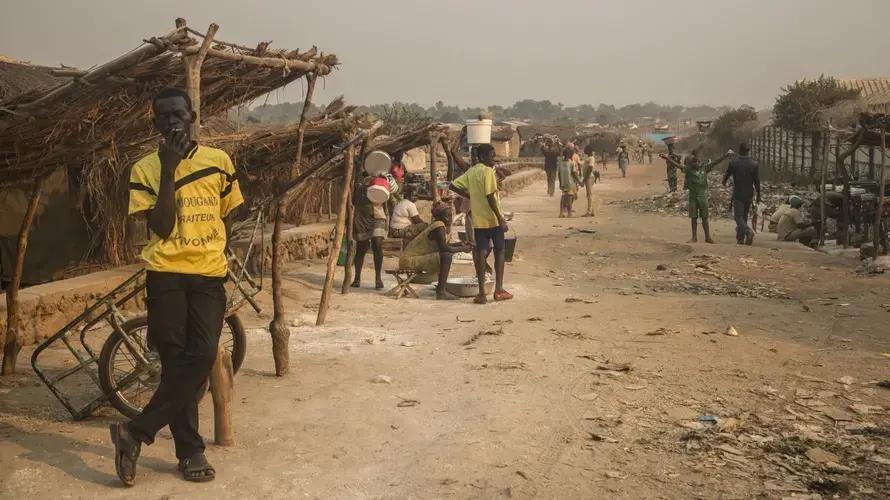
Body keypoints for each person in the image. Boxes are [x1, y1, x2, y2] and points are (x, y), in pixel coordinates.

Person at [112, 88, 244, 486]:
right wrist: (169, 167)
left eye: (179, 114)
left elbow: (230, 214)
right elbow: (162, 226)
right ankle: (190, 451)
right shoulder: (145, 169)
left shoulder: (218, 161)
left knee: (201, 354)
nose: (173, 121)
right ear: (155, 123)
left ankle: (135, 431)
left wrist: (213, 249)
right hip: (165, 275)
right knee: (174, 362)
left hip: (207, 276)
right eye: (164, 116)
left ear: (192, 115)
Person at [449, 144, 512, 304]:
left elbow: (453, 185)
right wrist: (501, 218)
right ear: (483, 157)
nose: (494, 158)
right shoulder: (487, 171)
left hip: (478, 220)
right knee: (500, 251)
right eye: (491, 156)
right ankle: (498, 289)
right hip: (492, 219)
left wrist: (470, 196)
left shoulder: (471, 171)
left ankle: (482, 294)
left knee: (481, 252)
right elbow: (491, 196)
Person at [399, 203, 473, 300]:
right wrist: (463, 249)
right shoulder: (439, 226)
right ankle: (441, 292)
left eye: (451, 216)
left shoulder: (437, 225)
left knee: (445, 255)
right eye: (447, 216)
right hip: (408, 261)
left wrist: (460, 244)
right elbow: (444, 248)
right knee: (446, 256)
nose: (450, 219)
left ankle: (441, 288)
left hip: (408, 259)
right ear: (439, 217)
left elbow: (443, 246)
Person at [683, 149, 732, 243]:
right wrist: (667, 159)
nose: (697, 163)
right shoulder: (689, 170)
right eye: (695, 162)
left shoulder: (704, 168)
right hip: (693, 197)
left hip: (703, 197)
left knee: (704, 217)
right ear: (692, 164)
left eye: (698, 162)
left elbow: (715, 162)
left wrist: (726, 156)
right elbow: (678, 166)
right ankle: (694, 237)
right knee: (694, 217)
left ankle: (708, 237)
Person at [351, 175, 387, 290]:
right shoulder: (360, 179)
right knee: (361, 248)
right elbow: (354, 200)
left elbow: (387, 198)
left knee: (377, 245)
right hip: (362, 216)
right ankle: (357, 278)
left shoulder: (382, 177)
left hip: (377, 215)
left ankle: (378, 278)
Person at [722, 142, 761, 245]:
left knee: (738, 216)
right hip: (749, 193)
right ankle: (740, 239)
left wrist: (724, 182)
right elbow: (757, 181)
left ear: (739, 151)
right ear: (748, 151)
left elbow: (726, 175)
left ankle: (747, 231)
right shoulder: (754, 164)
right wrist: (759, 196)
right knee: (744, 215)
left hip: (738, 193)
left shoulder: (733, 163)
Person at [558, 147, 582, 218]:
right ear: (570, 155)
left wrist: (560, 183)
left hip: (563, 183)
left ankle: (561, 213)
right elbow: (574, 174)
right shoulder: (571, 163)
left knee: (563, 197)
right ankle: (569, 213)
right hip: (570, 183)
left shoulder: (560, 163)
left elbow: (559, 174)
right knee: (570, 198)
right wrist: (579, 181)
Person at [582, 144, 598, 216]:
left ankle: (589, 211)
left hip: (589, 177)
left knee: (589, 195)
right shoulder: (589, 158)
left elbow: (590, 169)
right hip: (588, 177)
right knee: (590, 194)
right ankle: (592, 211)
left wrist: (584, 179)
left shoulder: (591, 158)